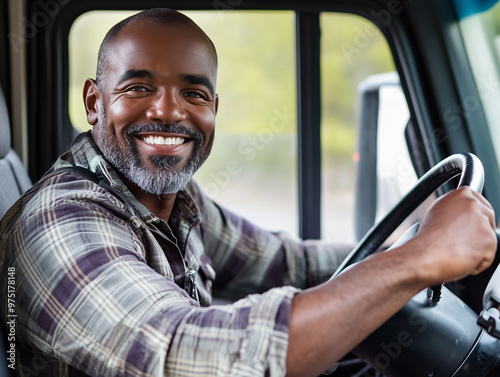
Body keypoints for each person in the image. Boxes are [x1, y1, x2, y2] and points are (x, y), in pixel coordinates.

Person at [0, 7, 496, 377]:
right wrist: (420, 261)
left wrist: (409, 242)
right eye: (138, 88)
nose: (167, 112)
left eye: (193, 93)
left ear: (214, 109)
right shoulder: (59, 223)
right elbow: (187, 350)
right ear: (94, 102)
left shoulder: (176, 203)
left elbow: (288, 262)